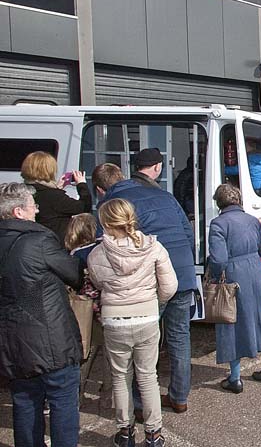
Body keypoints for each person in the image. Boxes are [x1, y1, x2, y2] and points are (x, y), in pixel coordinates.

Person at [94, 159, 195, 415]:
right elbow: (187, 231)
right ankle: (180, 397)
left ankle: (139, 404)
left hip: (150, 282)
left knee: (140, 345)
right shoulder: (163, 195)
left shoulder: (112, 206)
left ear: (99, 190)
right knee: (180, 337)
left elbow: (107, 246)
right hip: (181, 273)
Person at [88, 199, 177, 447]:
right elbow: (169, 287)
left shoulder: (96, 254)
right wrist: (153, 302)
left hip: (115, 320)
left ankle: (125, 432)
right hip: (147, 317)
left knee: (120, 377)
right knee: (148, 377)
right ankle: (154, 435)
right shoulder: (154, 247)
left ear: (105, 223)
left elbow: (97, 283)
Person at [0, 182, 83, 447]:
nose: (36, 210)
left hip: (12, 341)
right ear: (18, 212)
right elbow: (73, 274)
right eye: (31, 206)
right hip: (51, 339)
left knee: (24, 401)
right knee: (62, 402)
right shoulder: (40, 239)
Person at [209, 184, 261, 394]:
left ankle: (235, 378)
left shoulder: (218, 224)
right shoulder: (252, 220)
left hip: (234, 273)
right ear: (238, 200)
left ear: (218, 203)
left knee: (231, 321)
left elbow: (219, 259)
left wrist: (214, 277)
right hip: (255, 272)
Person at [20, 151, 92, 244]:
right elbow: (84, 207)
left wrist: (56, 188)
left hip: (28, 241)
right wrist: (82, 184)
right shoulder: (53, 196)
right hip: (53, 243)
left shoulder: (21, 191)